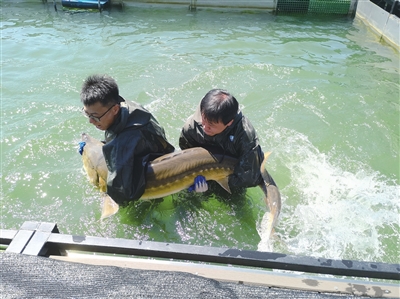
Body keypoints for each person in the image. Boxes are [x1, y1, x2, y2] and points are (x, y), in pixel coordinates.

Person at [80, 74, 175, 205]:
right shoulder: (128, 107)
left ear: (114, 109)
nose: (91, 121)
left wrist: (104, 191)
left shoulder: (125, 142)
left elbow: (123, 195)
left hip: (157, 179)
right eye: (87, 114)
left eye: (95, 116)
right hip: (154, 152)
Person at [179, 88, 277, 193]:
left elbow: (250, 178)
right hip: (203, 174)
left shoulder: (245, 137)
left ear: (229, 123)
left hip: (232, 174)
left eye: (211, 125)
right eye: (204, 120)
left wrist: (214, 181)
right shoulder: (191, 127)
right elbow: (186, 156)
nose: (205, 127)